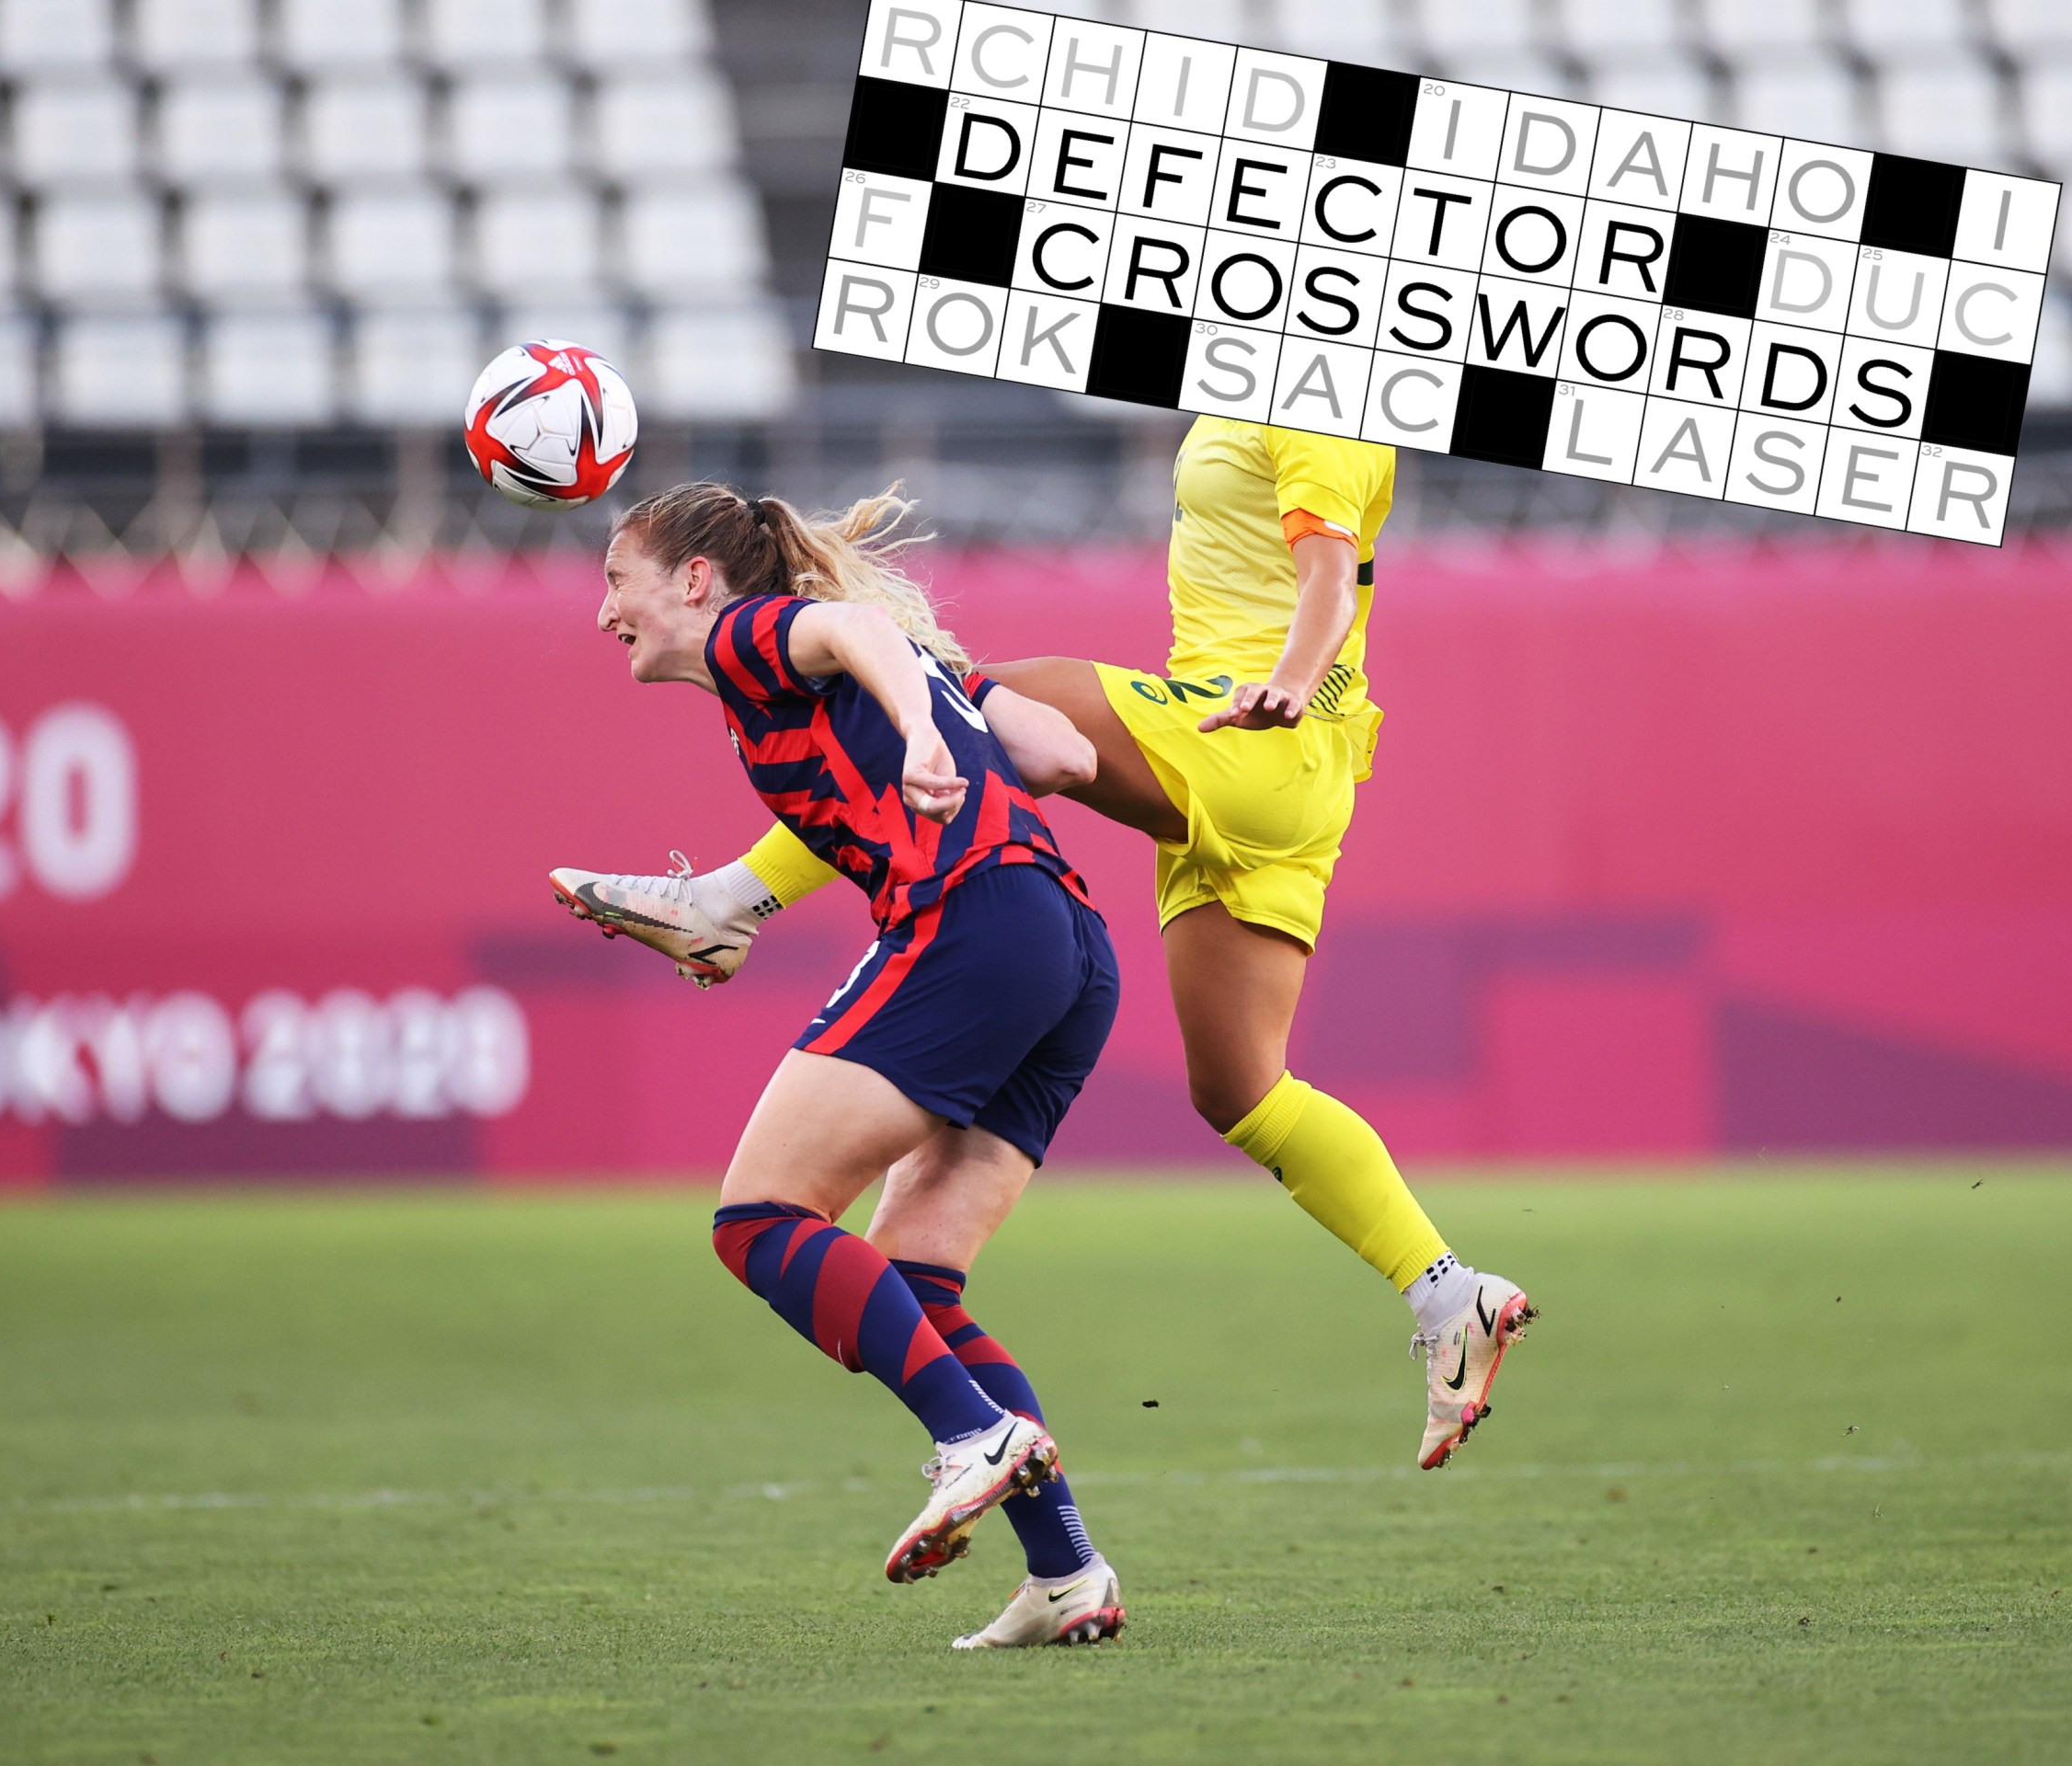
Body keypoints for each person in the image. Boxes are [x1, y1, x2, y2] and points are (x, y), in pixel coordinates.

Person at [554, 422, 1535, 1472]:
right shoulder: (1237, 401)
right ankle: (1447, 1295)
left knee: (955, 694)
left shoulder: (1312, 402)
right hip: (1247, 773)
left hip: (1251, 735)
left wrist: (1290, 682)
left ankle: (728, 902)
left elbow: (1330, 579)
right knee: (1243, 1090)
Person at [585, 479, 1127, 1649]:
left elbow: (844, 627)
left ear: (694, 580)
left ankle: (972, 1438)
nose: (604, 613)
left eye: (617, 582)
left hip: (970, 922)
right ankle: (1066, 1572)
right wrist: (946, 711)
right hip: (1072, 950)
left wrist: (924, 731)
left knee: (759, 1223)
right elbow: (1069, 756)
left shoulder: (752, 636)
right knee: (917, 1286)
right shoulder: (890, 675)